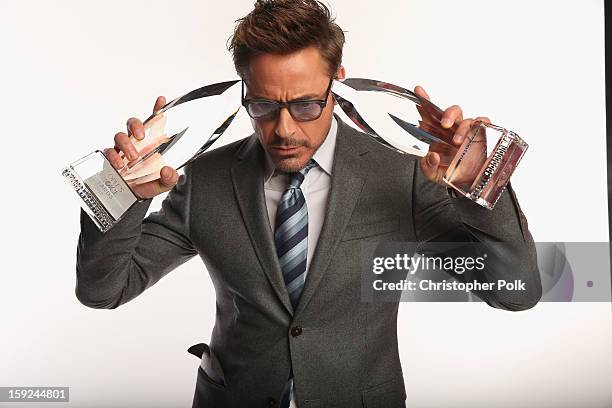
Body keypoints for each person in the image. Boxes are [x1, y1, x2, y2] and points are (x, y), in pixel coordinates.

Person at [75, 1, 542, 407]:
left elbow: (516, 291)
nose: (284, 130)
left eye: (305, 105)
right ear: (243, 90)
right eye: (262, 105)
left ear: (336, 83)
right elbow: (104, 291)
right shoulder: (204, 179)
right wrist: (118, 192)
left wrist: (480, 176)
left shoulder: (403, 175)